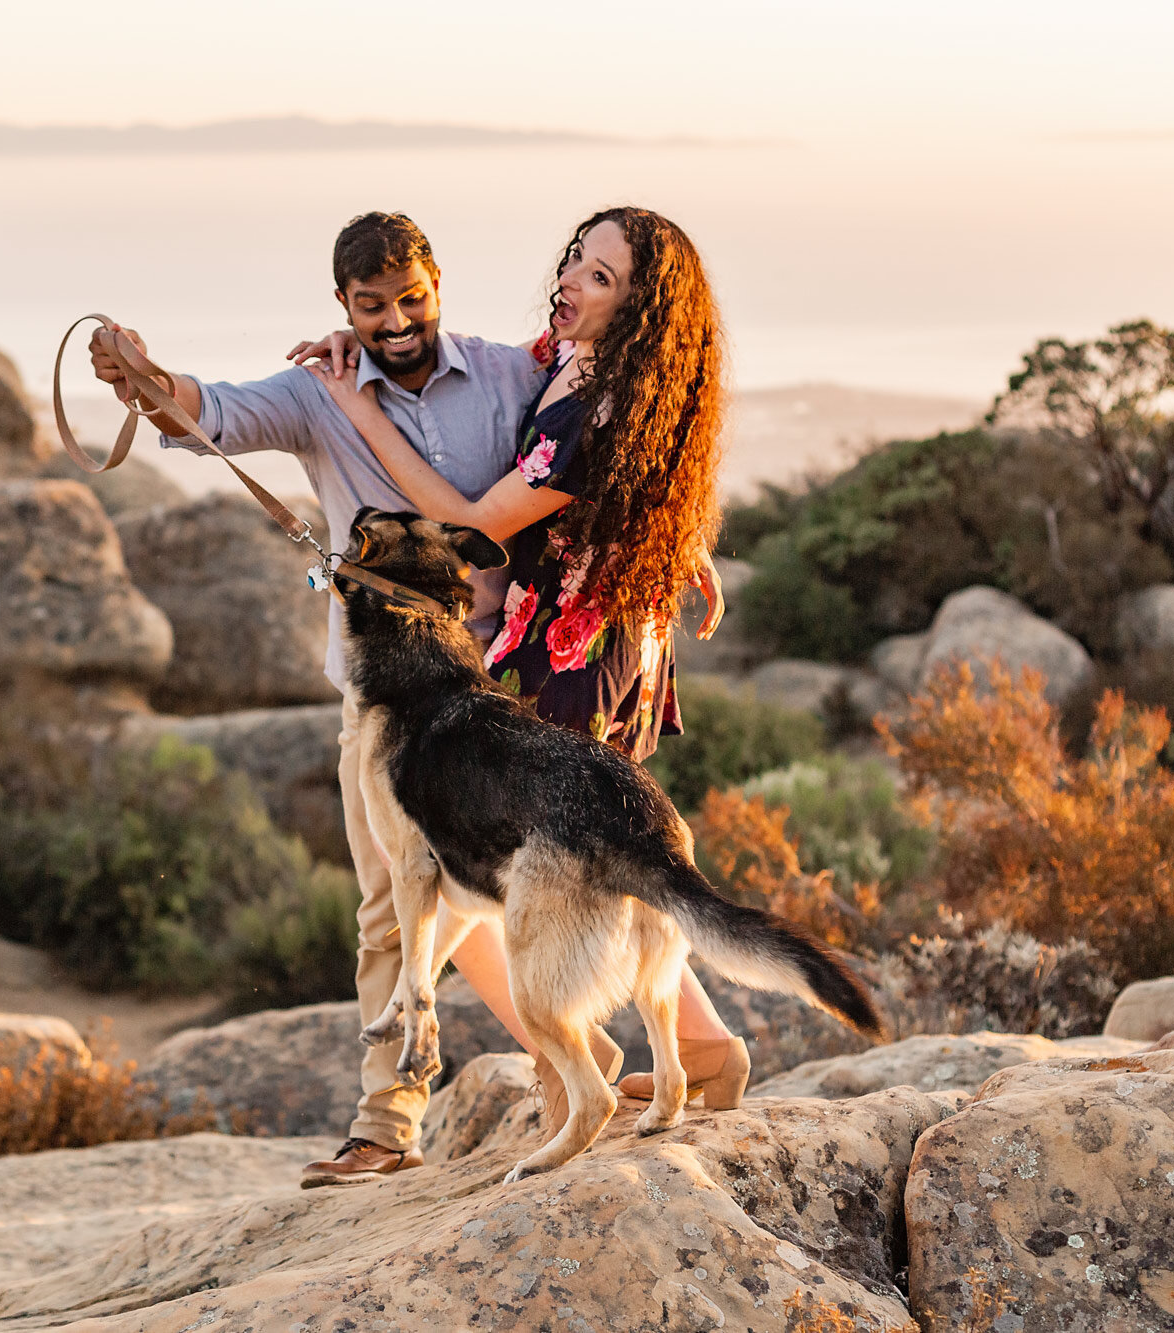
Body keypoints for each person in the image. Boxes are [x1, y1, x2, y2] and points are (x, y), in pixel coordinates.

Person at [89, 212, 625, 1190]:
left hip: (501, 684)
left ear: (435, 284)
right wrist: (142, 377)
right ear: (342, 307)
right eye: (371, 306)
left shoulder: (507, 375)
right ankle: (386, 1125)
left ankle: (590, 1070)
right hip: (383, 706)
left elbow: (590, 448)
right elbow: (206, 414)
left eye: (410, 297)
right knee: (388, 908)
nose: (395, 321)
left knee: (559, 882)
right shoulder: (315, 391)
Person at [296, 205, 750, 1122]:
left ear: (642, 309)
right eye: (576, 260)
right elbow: (631, 474)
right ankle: (700, 1053)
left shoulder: (605, 399)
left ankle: (578, 1071)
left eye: (600, 277)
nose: (571, 282)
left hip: (577, 648)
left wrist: (357, 405)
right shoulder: (574, 353)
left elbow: (471, 523)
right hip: (566, 626)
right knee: (579, 868)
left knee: (483, 889)